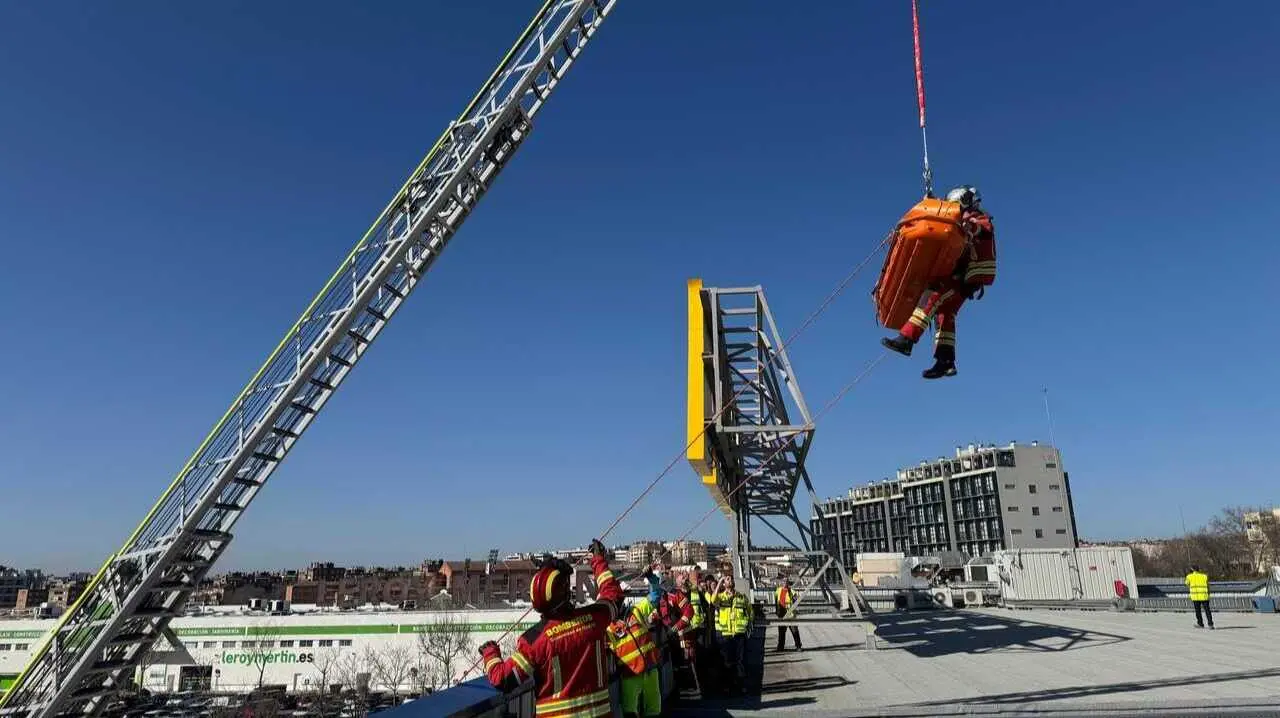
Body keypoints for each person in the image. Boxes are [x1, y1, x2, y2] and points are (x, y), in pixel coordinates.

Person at [479, 539, 621, 718]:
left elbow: (503, 679)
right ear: (566, 593)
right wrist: (598, 560)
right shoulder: (594, 619)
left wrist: (490, 653)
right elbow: (613, 596)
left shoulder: (534, 641)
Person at [881, 185, 997, 379]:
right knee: (944, 314)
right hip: (969, 278)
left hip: (968, 277)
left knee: (932, 298)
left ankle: (907, 339)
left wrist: (960, 221)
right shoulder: (974, 219)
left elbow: (974, 228)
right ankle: (945, 362)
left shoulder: (980, 218)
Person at [608, 586, 663, 718]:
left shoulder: (636, 611)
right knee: (630, 712)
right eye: (614, 600)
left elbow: (655, 595)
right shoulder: (608, 629)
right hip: (629, 675)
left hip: (650, 670)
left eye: (619, 599)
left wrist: (651, 578)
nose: (617, 602)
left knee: (654, 710)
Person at [711, 576, 751, 695]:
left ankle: (741, 685)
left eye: (731, 579)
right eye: (727, 579)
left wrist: (747, 627)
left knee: (741, 661)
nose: (730, 580)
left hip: (739, 634)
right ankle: (727, 686)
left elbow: (750, 612)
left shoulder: (741, 597)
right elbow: (713, 600)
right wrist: (719, 582)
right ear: (723, 584)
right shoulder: (721, 598)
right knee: (727, 662)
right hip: (726, 634)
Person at [774, 578, 802, 651]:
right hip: (782, 615)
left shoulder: (791, 591)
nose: (784, 583)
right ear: (781, 582)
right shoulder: (778, 590)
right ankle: (780, 647)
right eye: (783, 581)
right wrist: (777, 611)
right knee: (781, 632)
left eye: (786, 582)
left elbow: (797, 600)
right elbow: (776, 600)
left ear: (787, 583)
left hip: (790, 615)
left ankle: (798, 646)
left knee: (794, 631)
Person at [1185, 565, 1214, 629]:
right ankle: (1210, 624)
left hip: (1195, 596)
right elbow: (1208, 586)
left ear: (1192, 570)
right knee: (1207, 610)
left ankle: (1200, 624)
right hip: (1204, 596)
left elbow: (1186, 584)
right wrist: (1208, 594)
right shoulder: (1204, 576)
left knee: (1198, 611)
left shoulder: (1189, 576)